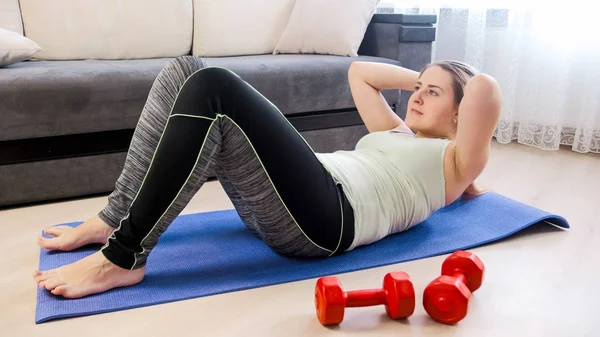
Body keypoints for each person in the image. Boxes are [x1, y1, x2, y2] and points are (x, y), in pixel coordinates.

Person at [33, 56, 502, 299]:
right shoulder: (396, 132)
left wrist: (453, 76)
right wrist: (426, 78)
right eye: (417, 88)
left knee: (216, 86)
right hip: (291, 199)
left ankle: (123, 257)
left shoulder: (456, 163)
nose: (417, 96)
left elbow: (485, 89)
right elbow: (360, 73)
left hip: (327, 221)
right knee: (187, 71)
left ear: (463, 115)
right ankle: (115, 216)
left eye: (432, 92)